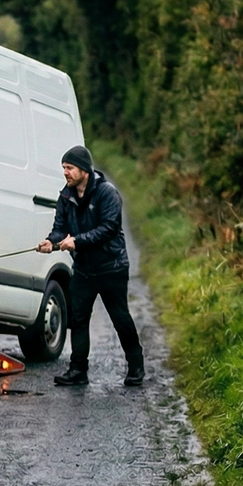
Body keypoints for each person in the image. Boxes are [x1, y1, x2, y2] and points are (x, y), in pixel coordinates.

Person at [37, 145, 144, 387]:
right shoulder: (66, 196)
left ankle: (136, 365)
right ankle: (78, 371)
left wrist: (77, 241)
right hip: (84, 269)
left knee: (120, 318)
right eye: (63, 168)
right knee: (79, 318)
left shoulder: (107, 193)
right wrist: (50, 242)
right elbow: (59, 228)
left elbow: (109, 229)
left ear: (84, 170)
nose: (65, 172)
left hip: (111, 267)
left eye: (70, 168)